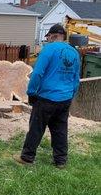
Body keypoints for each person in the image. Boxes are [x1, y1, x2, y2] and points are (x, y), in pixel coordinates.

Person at [14, 24, 80, 169]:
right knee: (60, 130)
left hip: (47, 98)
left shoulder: (48, 49)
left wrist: (31, 92)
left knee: (36, 128)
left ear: (53, 36)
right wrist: (71, 94)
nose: (48, 39)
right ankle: (61, 161)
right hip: (65, 98)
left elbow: (37, 73)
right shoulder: (74, 53)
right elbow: (76, 78)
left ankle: (27, 157)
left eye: (48, 37)